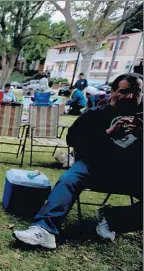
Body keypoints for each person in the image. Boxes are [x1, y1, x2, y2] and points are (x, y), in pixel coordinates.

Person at [13, 73, 143, 249]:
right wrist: (108, 133)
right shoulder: (95, 115)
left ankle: (113, 219)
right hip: (94, 167)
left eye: (137, 92)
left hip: (132, 172)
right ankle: (45, 229)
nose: (130, 96)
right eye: (124, 91)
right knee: (69, 179)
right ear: (112, 92)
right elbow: (73, 140)